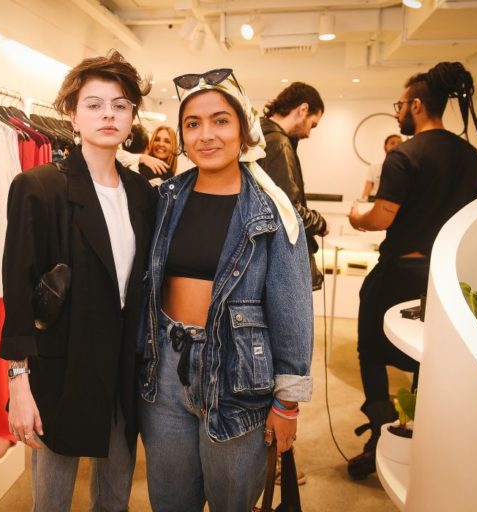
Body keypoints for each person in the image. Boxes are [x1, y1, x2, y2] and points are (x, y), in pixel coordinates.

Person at [138, 68, 314, 511]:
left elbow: (292, 310)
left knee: (232, 501)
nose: (206, 135)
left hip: (239, 377)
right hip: (166, 371)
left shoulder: (272, 210)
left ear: (244, 129)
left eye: (220, 120)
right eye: (193, 124)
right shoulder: (166, 199)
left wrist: (288, 403)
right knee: (170, 500)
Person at [0, 50, 157, 510]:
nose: (108, 114)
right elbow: (18, 290)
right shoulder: (40, 187)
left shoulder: (142, 194)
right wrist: (18, 383)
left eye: (120, 105)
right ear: (72, 113)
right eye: (94, 104)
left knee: (115, 497)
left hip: (122, 371)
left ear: (132, 116)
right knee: (52, 498)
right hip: (60, 369)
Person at [347, 61, 477, 480]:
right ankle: (416, 439)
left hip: (399, 273)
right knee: (429, 359)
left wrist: (357, 217)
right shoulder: (471, 157)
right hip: (443, 279)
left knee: (371, 351)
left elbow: (382, 217)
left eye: (401, 104)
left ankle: (380, 436)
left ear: (418, 105)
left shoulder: (405, 154)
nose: (398, 112)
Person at [257, 82, 329, 291]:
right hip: (278, 260)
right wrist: (320, 223)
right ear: (303, 109)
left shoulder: (259, 136)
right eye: (312, 125)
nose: (309, 134)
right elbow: (287, 210)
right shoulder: (278, 143)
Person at [361, 134, 403, 200]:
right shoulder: (374, 168)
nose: (396, 145)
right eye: (392, 143)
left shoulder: (406, 168)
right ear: (385, 147)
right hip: (374, 201)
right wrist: (363, 202)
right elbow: (366, 192)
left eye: (400, 143)